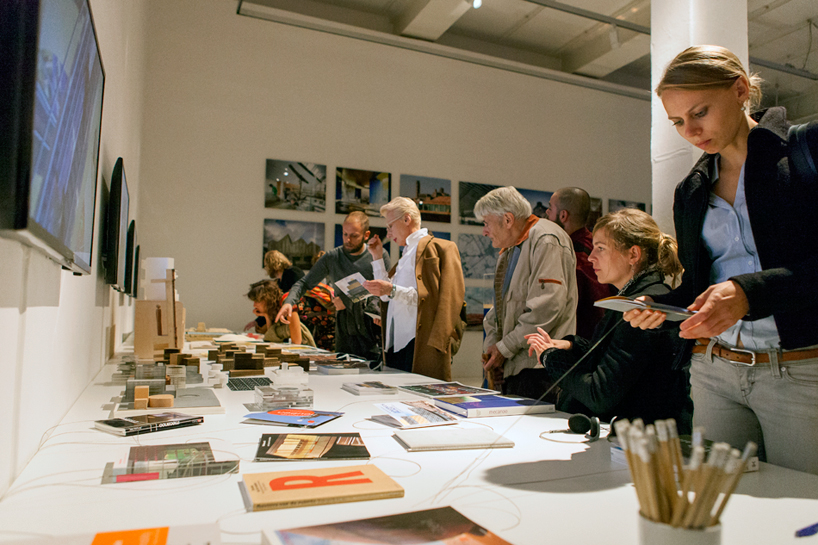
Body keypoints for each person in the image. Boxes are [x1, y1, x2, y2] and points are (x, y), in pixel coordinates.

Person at [626, 45, 818, 474]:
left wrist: (750, 293)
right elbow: (701, 285)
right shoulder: (691, 190)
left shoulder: (804, 152)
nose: (691, 131)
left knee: (803, 505)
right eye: (678, 121)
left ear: (740, 90)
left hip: (802, 371)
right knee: (721, 501)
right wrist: (662, 306)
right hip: (715, 371)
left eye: (700, 112)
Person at [526, 209, 691, 430]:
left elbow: (599, 394)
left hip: (636, 443)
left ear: (633, 255)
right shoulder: (635, 295)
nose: (591, 257)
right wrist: (570, 346)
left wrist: (550, 357)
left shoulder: (640, 308)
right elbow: (614, 358)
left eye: (600, 248)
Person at [476, 186, 577, 395]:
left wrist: (503, 349)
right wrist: (494, 349)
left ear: (507, 220)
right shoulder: (511, 248)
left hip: (540, 370)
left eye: (486, 223)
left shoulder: (546, 239)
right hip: (517, 369)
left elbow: (546, 307)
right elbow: (499, 309)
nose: (484, 232)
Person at [362, 197, 465, 381]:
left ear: (406, 219)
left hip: (418, 343)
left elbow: (430, 298)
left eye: (390, 226)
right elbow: (385, 297)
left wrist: (391, 290)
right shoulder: (407, 253)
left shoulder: (434, 248)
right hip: (396, 343)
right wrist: (377, 257)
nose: (388, 233)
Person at [275, 211, 389, 360]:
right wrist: (289, 302)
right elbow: (304, 283)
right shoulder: (332, 257)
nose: (348, 240)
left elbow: (388, 290)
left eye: (354, 236)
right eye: (345, 234)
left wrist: (348, 301)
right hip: (344, 332)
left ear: (366, 235)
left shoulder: (379, 254)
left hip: (373, 333)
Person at [546, 187, 614, 339]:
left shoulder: (576, 257)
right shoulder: (590, 244)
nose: (547, 212)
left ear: (563, 215)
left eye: (550, 208)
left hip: (580, 342)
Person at [246, 280, 315, 346]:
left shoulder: (287, 301)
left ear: (266, 299)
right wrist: (266, 315)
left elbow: (297, 341)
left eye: (257, 301)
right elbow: (271, 336)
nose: (254, 305)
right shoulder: (274, 307)